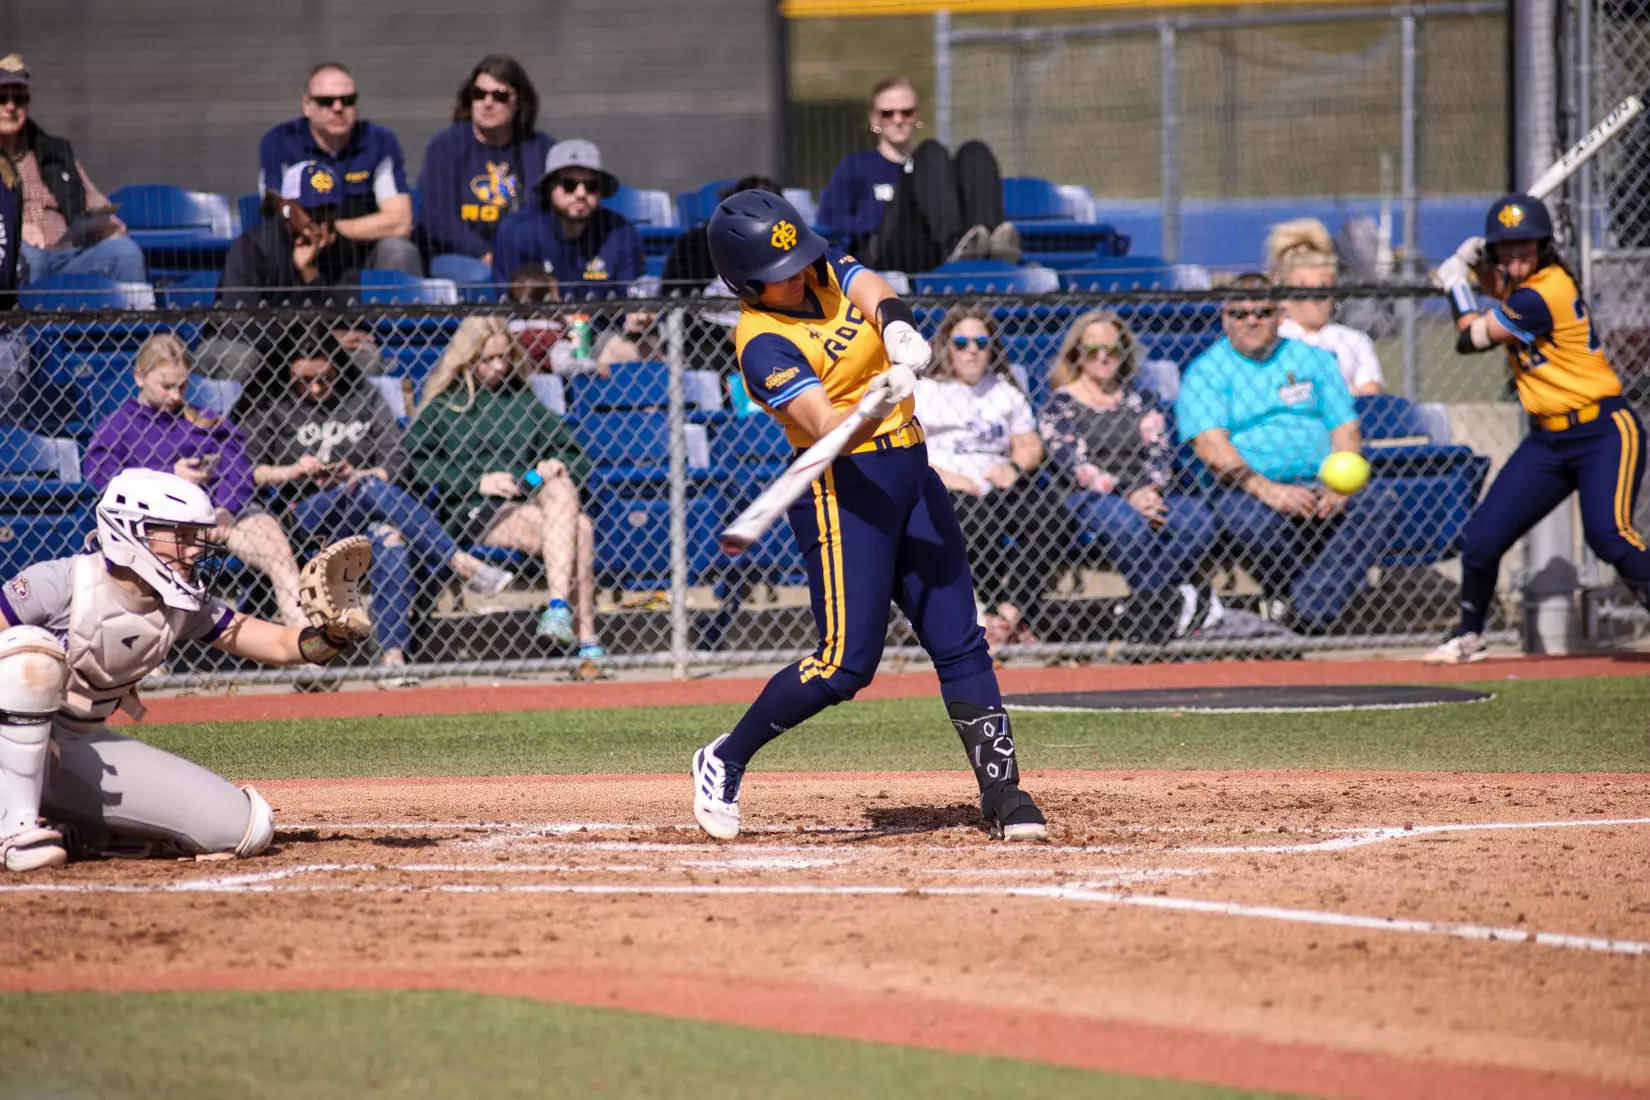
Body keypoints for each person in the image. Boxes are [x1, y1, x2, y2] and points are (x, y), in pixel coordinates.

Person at [690, 189, 1047, 843]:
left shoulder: (818, 268)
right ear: (745, 283)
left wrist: (898, 327)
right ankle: (724, 758)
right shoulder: (762, 344)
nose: (799, 275)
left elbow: (873, 290)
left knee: (960, 639)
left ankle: (1004, 792)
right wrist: (878, 400)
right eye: (779, 273)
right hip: (844, 491)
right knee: (844, 665)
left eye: (799, 261)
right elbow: (826, 428)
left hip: (913, 472)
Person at [0, 468, 371, 872]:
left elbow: (280, 644)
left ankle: (83, 828)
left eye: (197, 536)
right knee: (28, 658)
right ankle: (14, 832)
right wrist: (31, 738)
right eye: (182, 536)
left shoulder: (181, 604)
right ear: (131, 531)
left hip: (79, 745)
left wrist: (332, 636)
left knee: (245, 827)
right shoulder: (60, 583)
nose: (195, 550)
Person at [1424, 194, 1650, 664]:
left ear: (1543, 246)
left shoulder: (1544, 292)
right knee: (1482, 540)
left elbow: (1470, 338)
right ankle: (1468, 636)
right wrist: (1472, 267)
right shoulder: (1523, 288)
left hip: (1603, 429)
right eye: (1505, 246)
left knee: (1609, 535)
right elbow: (1499, 289)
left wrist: (1456, 284)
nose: (1515, 254)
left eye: (1524, 244)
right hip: (1549, 440)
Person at [241, 323, 514, 671]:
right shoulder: (271, 402)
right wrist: (292, 471)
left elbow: (396, 461)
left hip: (364, 509)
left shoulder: (363, 396)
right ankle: (460, 563)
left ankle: (392, 657)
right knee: (368, 489)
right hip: (302, 514)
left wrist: (362, 474)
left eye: (325, 378)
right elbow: (247, 472)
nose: (317, 388)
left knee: (390, 538)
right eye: (304, 380)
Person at [1176, 274, 1398, 635]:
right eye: (1240, 314)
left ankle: (1302, 615)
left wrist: (1339, 487)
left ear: (1281, 315)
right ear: (1225, 318)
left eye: (1262, 312)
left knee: (1379, 503)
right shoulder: (1206, 371)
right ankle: (1303, 608)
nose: (1251, 321)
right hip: (1246, 487)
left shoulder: (1314, 360)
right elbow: (1211, 447)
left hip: (1320, 481)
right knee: (1247, 521)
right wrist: (1271, 491)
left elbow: (1345, 428)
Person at [405, 317, 604, 658]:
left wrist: (555, 465)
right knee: (581, 529)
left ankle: (558, 609)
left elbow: (577, 457)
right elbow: (415, 465)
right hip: (474, 508)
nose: (498, 366)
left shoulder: (522, 401)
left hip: (527, 492)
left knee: (562, 485)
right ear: (468, 359)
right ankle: (585, 639)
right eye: (488, 359)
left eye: (504, 357)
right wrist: (477, 481)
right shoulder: (444, 407)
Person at [81, 334, 307, 629]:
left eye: (183, 386)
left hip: (221, 516)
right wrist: (168, 475)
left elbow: (239, 468)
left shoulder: (203, 420)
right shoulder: (120, 425)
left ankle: (303, 639)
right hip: (161, 524)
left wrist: (225, 508)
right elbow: (100, 473)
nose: (176, 396)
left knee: (280, 554)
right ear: (140, 377)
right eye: (166, 386)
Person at [1042, 309, 1220, 643]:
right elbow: (1077, 466)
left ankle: (1151, 613)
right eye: (1092, 350)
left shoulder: (1142, 399)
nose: (1103, 357)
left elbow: (1160, 453)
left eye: (1112, 349)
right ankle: (1170, 611)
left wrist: (1150, 490)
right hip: (1091, 497)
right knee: (1126, 523)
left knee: (1196, 520)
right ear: (1077, 354)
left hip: (1149, 492)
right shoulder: (1060, 404)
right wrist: (1129, 493)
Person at [914, 306, 1058, 649]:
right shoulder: (926, 391)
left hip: (998, 484)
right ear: (946, 348)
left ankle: (1009, 612)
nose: (972, 351)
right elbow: (908, 450)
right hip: (944, 484)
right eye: (961, 343)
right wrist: (946, 476)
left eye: (981, 342)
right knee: (977, 520)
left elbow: (1030, 445)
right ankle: (986, 612)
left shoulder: (1004, 390)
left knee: (1050, 517)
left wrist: (1013, 468)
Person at [204, 161, 390, 381]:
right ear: (287, 206)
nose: (322, 220)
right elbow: (240, 324)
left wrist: (310, 275)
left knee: (365, 357)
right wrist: (309, 336)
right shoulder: (253, 246)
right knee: (240, 358)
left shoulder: (341, 249)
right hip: (253, 346)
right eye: (312, 210)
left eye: (329, 209)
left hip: (315, 345)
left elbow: (346, 321)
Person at [817, 76, 1018, 273]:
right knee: (930, 151)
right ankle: (953, 247)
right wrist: (871, 222)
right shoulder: (856, 166)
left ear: (917, 117)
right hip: (892, 249)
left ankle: (989, 244)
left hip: (933, 246)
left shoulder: (937, 170)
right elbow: (828, 218)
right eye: (888, 114)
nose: (898, 120)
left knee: (975, 152)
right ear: (874, 120)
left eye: (907, 113)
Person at [256, 62, 421, 276]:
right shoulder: (280, 142)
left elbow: (400, 221)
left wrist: (335, 228)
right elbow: (276, 207)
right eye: (326, 101)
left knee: (399, 251)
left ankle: (398, 301)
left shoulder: (378, 141)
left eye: (348, 100)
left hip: (363, 254)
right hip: (300, 246)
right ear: (307, 105)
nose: (338, 108)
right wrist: (307, 229)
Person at [0, 54, 146, 285]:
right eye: (2, 98)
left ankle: (135, 310)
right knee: (28, 258)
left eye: (19, 98)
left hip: (69, 255)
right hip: (20, 256)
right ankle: (30, 311)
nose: (11, 107)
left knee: (125, 253)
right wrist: (15, 232)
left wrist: (110, 228)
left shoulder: (54, 150)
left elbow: (93, 202)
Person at [419, 55, 554, 287]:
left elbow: (547, 215)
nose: (487, 103)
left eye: (500, 96)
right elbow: (436, 217)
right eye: (479, 94)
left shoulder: (540, 149)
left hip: (525, 255)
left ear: (519, 102)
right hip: (461, 256)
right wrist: (482, 251)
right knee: (482, 277)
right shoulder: (446, 145)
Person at [489, 139, 643, 296]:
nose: (581, 194)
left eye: (591, 186)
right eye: (569, 184)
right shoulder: (515, 232)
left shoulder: (622, 233)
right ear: (549, 187)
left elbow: (631, 296)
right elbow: (509, 299)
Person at [1266, 218, 1384, 396]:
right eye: (1305, 290)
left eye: (1322, 289)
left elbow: (1371, 389)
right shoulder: (1274, 339)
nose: (1315, 299)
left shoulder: (1353, 340)